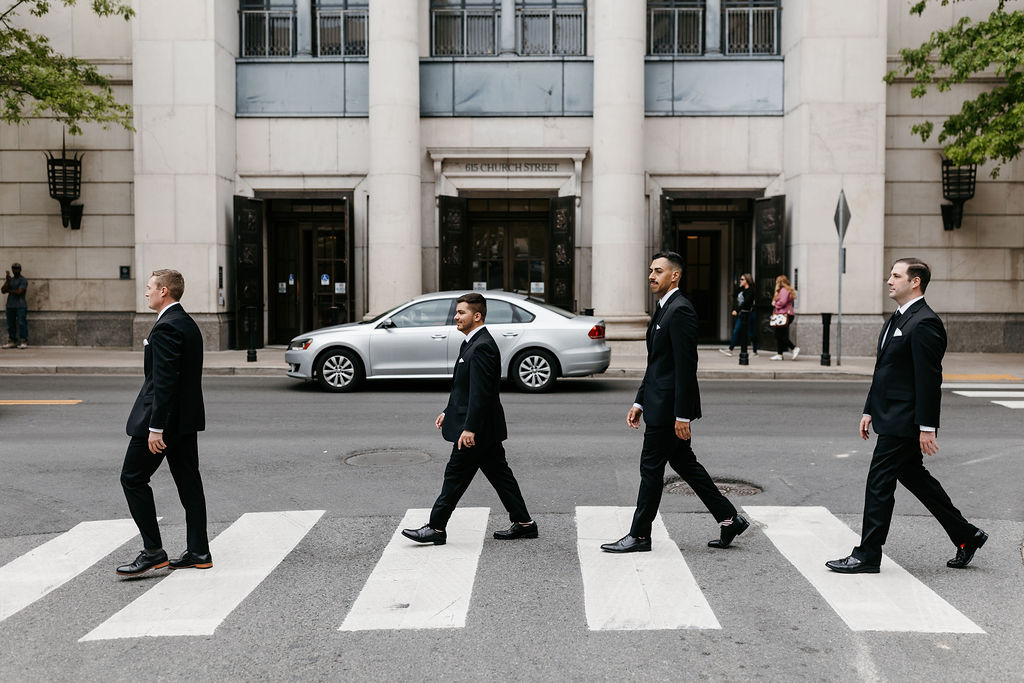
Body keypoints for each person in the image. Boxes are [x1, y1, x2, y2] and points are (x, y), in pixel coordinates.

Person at [826, 258, 987, 574]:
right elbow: (885, 370)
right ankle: (967, 535)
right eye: (890, 274)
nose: (889, 280)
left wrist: (927, 427)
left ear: (915, 282)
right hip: (889, 414)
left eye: (896, 275)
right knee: (916, 478)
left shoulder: (925, 322)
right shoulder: (897, 319)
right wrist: (869, 409)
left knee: (879, 483)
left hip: (904, 420)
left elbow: (928, 379)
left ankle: (868, 554)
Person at [602, 252, 749, 553]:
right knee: (685, 464)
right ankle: (729, 518)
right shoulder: (663, 308)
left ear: (675, 275)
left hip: (669, 410)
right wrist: (639, 402)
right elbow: (657, 363)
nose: (651, 276)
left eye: (658, 271)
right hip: (658, 403)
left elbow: (685, 366)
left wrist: (682, 415)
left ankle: (640, 535)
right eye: (650, 271)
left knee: (650, 470)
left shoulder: (680, 310)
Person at [402, 292, 537, 545]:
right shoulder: (471, 342)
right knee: (501, 476)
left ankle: (436, 528)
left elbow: (482, 394)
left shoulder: (482, 345)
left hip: (476, 430)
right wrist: (448, 411)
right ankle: (524, 523)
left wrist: (470, 428)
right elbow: (463, 388)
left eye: (461, 312)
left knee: (454, 476)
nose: (456, 316)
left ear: (477, 316)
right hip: (483, 428)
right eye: (457, 312)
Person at [116, 269, 211, 576]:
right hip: (184, 422)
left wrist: (156, 428)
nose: (146, 293)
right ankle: (199, 551)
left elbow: (165, 381)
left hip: (164, 424)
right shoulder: (185, 322)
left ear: (165, 292)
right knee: (189, 484)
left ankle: (153, 551)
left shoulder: (167, 327)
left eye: (150, 288)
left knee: (132, 478)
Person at [719, 273, 757, 357]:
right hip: (742, 313)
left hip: (749, 313)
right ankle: (730, 349)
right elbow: (734, 295)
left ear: (747, 280)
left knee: (751, 333)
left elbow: (746, 302)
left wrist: (737, 310)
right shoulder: (742, 289)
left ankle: (754, 351)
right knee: (736, 330)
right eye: (740, 279)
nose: (740, 281)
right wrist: (740, 286)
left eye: (742, 279)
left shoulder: (751, 290)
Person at [769, 274, 799, 361]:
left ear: (780, 282)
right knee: (780, 334)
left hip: (784, 315)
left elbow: (782, 302)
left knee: (780, 334)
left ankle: (794, 348)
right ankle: (779, 354)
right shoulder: (786, 290)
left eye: (777, 281)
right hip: (785, 315)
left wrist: (775, 304)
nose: (776, 283)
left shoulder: (783, 290)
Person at [2, 263, 28, 349]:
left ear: (20, 270)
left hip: (20, 305)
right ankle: (12, 341)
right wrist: (7, 281)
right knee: (11, 324)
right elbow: (2, 290)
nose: (15, 270)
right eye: (13, 269)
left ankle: (23, 340)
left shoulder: (23, 280)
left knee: (21, 323)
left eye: (17, 269)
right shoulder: (11, 280)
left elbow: (19, 292)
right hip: (10, 306)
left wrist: (8, 290)